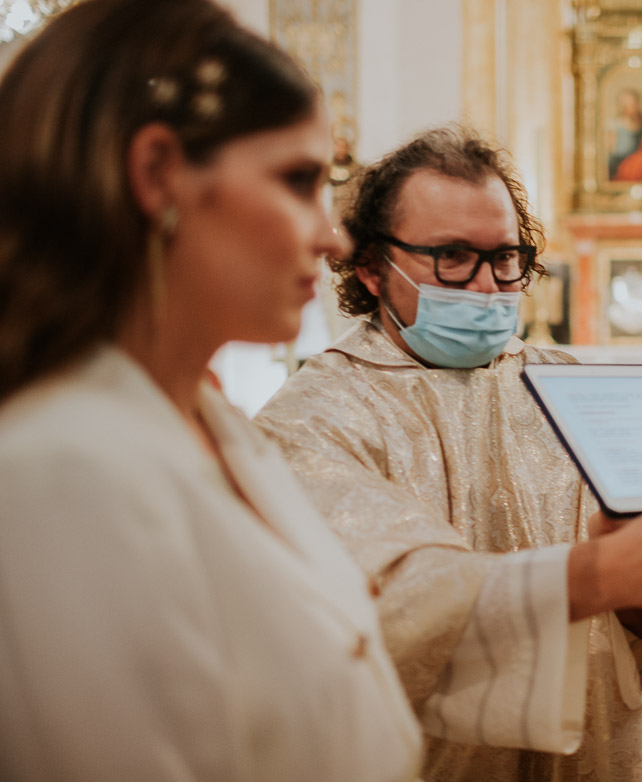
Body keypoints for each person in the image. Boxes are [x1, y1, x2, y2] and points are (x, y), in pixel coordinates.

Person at [0, 1, 423, 779]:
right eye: (297, 181)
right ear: (158, 174)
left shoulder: (210, 423)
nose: (333, 236)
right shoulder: (62, 469)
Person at [254, 125, 642, 781]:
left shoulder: (575, 388)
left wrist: (641, 591)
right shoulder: (313, 418)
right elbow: (371, 605)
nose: (485, 287)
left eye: (504, 257)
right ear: (371, 267)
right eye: (451, 256)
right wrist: (589, 574)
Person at [607, 88, 642, 182]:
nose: (629, 108)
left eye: (632, 104)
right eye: (625, 105)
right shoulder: (614, 124)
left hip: (639, 167)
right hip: (619, 165)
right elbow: (611, 151)